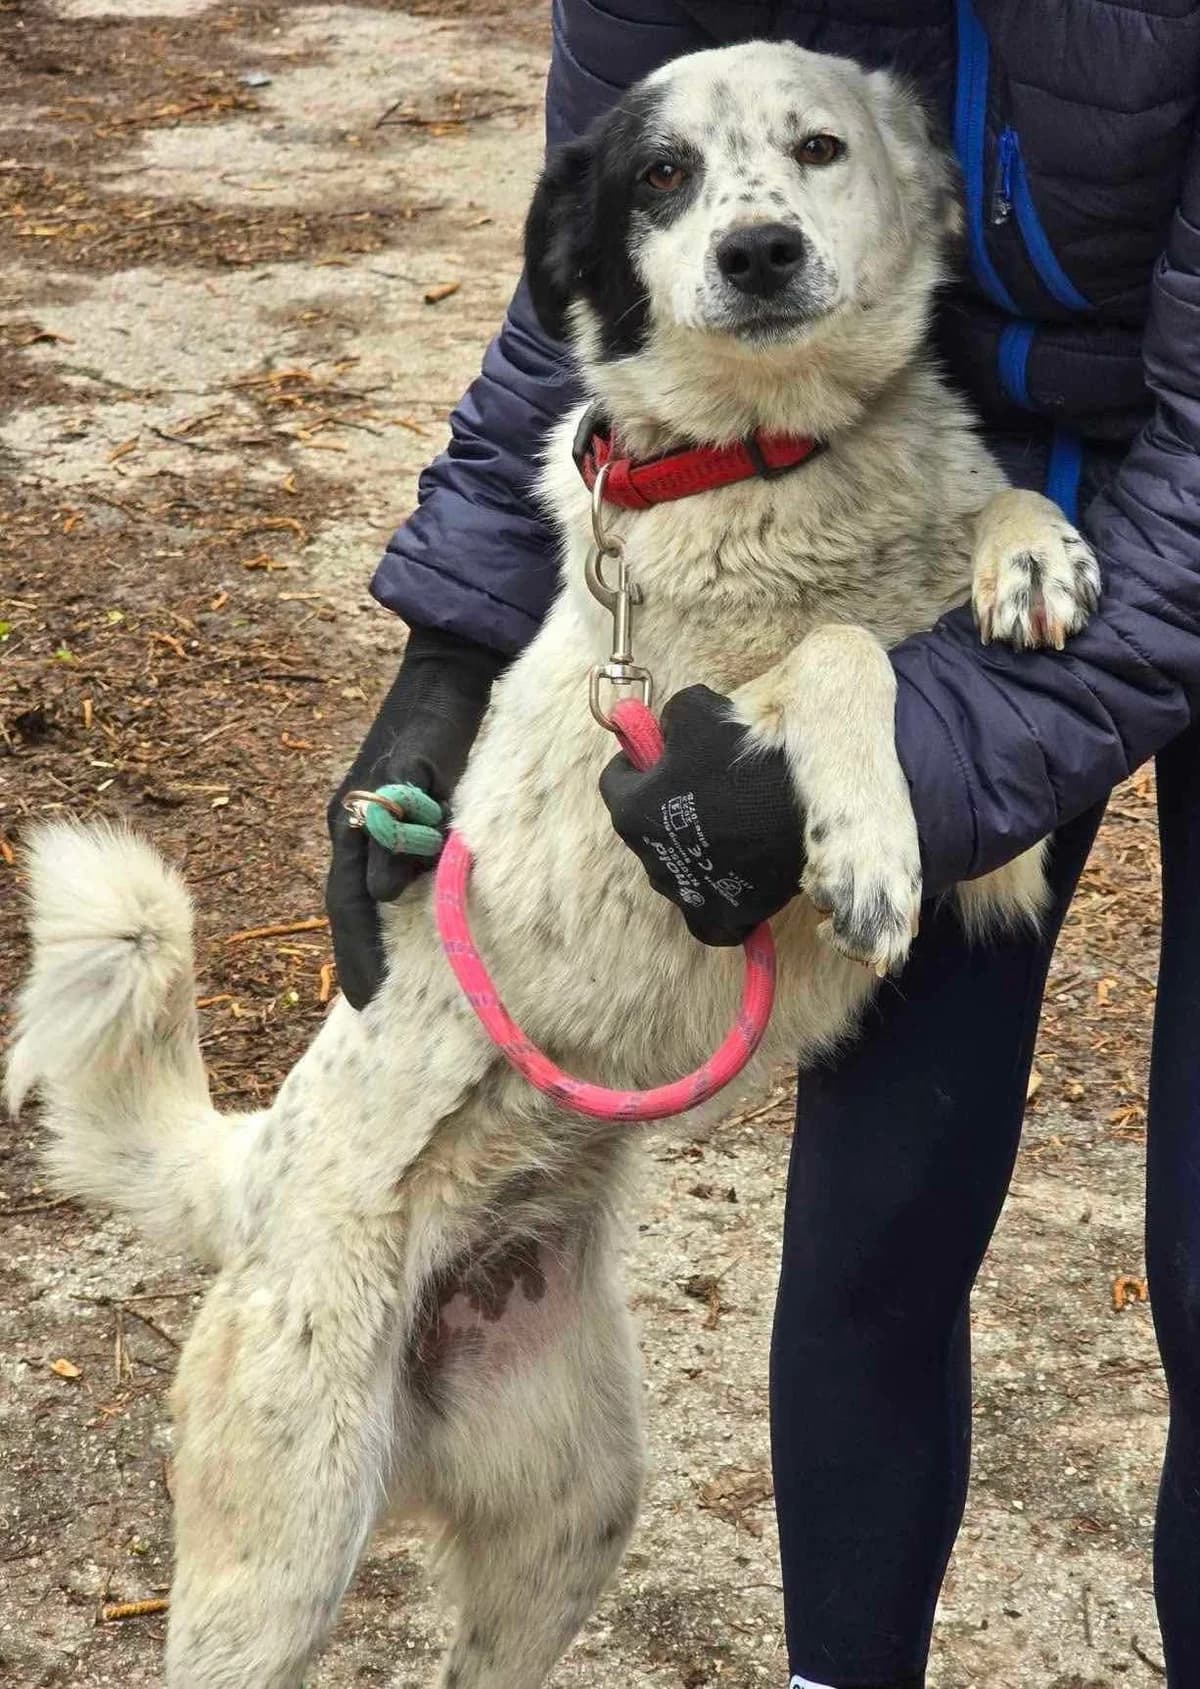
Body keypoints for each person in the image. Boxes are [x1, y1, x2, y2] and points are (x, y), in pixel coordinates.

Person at [325, 4, 1200, 1684]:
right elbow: (586, 270)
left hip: (1138, 472)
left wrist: (899, 759)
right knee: (883, 1213)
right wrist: (446, 650)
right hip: (930, 479)